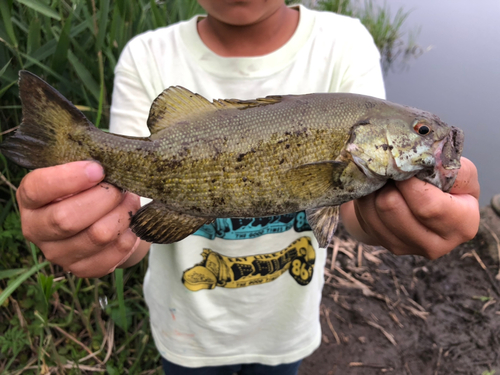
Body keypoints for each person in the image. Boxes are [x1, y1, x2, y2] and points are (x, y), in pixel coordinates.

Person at [15, 1, 480, 374]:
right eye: (420, 131)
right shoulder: (145, 54)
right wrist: (102, 234)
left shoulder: (347, 44)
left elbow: (354, 210)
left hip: (285, 333)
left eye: (421, 131)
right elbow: (132, 222)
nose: (428, 137)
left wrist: (389, 224)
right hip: (186, 337)